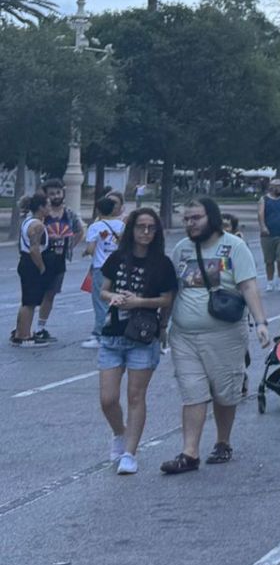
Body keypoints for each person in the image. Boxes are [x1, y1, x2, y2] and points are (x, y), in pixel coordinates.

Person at [159, 197, 271, 476]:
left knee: (224, 392)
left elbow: (248, 286)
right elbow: (173, 290)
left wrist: (260, 323)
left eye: (196, 218)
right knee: (192, 391)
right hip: (184, 336)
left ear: (212, 217)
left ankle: (223, 442)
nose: (190, 224)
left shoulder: (234, 246)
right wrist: (163, 325)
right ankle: (190, 453)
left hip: (224, 334)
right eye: (186, 219)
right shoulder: (182, 249)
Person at [96, 206, 175, 475]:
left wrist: (141, 302)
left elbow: (167, 299)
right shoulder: (118, 258)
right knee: (107, 399)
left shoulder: (162, 263)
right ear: (131, 230)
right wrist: (113, 298)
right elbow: (103, 289)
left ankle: (130, 452)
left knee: (135, 396)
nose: (145, 232)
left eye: (151, 228)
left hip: (143, 335)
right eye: (141, 227)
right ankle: (120, 433)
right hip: (113, 334)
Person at [27, 182, 81, 343]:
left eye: (58, 192)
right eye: (52, 193)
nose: (56, 196)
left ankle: (40, 328)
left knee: (50, 294)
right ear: (45, 196)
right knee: (32, 296)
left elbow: (79, 230)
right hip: (41, 259)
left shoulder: (69, 214)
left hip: (59, 261)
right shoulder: (39, 216)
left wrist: (70, 246)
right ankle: (23, 328)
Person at [82, 193, 126, 348]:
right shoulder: (121, 226)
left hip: (101, 266)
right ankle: (116, 330)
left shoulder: (95, 227)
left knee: (101, 301)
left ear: (98, 210)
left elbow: (91, 248)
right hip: (119, 266)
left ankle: (100, 333)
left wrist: (87, 252)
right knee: (116, 299)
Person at [256, 178, 280, 291]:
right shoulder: (264, 199)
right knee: (269, 260)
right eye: (279, 186)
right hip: (268, 234)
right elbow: (260, 213)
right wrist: (263, 227)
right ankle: (269, 281)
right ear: (272, 187)